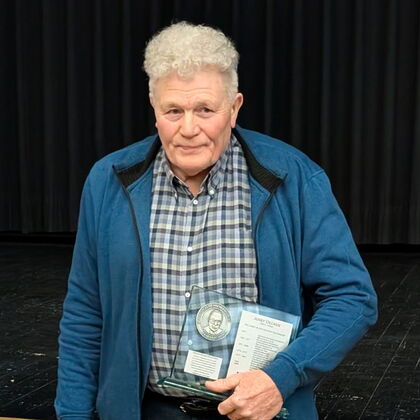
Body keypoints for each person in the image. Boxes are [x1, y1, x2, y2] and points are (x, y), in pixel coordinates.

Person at [55, 21, 377, 420]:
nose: (189, 129)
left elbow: (352, 299)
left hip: (258, 413)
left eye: (205, 110)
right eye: (173, 111)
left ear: (234, 108)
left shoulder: (294, 178)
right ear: (154, 108)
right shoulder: (108, 181)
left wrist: (280, 377)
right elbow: (85, 314)